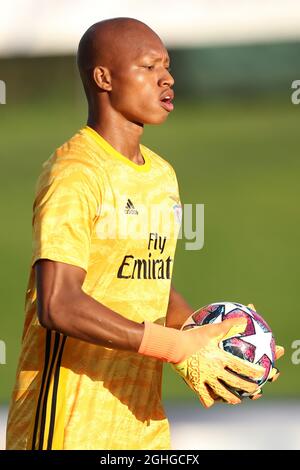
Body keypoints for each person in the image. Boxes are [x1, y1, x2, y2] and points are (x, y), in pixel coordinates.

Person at [6, 17, 283, 450]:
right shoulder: (75, 174)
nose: (167, 78)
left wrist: (209, 339)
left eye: (167, 66)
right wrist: (173, 345)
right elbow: (58, 304)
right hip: (69, 426)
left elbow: (147, 281)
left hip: (144, 427)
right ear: (104, 78)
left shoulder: (161, 175)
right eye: (148, 67)